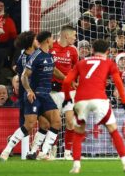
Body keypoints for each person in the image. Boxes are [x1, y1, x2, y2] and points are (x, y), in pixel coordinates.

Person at [62, 39, 125, 173]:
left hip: (81, 100)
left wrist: (67, 98)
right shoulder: (109, 63)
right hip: (99, 99)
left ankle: (76, 165)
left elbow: (67, 81)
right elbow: (118, 83)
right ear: (108, 52)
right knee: (113, 131)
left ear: (92, 50)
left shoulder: (81, 62)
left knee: (79, 133)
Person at [0, 31, 64, 161]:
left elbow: (52, 69)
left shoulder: (44, 55)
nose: (37, 42)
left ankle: (37, 152)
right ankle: (10, 147)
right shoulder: (26, 58)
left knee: (47, 124)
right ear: (30, 43)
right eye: (35, 40)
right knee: (29, 126)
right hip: (30, 96)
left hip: (42, 95)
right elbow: (23, 76)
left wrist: (67, 79)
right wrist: (28, 91)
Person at [48, 25, 78, 160]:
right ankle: (50, 150)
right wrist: (67, 79)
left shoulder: (73, 50)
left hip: (69, 91)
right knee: (54, 122)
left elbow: (77, 69)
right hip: (54, 90)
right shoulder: (51, 48)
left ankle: (67, 152)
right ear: (66, 35)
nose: (75, 38)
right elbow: (51, 69)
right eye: (74, 35)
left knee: (70, 122)